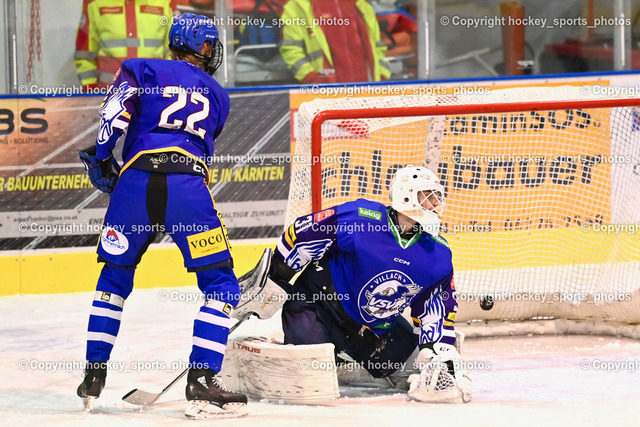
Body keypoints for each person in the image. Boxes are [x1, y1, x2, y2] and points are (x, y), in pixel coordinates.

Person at [76, 13, 247, 418]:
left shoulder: (140, 68)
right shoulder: (217, 93)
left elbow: (112, 117)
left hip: (133, 185)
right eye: (210, 44)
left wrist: (102, 162)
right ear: (203, 47)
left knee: (113, 280)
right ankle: (202, 380)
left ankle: (92, 375)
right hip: (186, 187)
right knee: (221, 285)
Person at [264, 165, 472, 402]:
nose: (435, 203)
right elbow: (304, 232)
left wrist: (435, 348)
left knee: (414, 372)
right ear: (406, 195)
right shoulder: (362, 218)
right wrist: (277, 274)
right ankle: (338, 359)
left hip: (374, 329)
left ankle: (351, 362)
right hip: (318, 306)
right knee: (310, 383)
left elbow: (435, 308)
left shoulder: (437, 253)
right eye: (428, 195)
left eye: (436, 196)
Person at [279, 0, 391, 84]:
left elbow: (379, 47)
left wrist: (381, 76)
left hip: (367, 91)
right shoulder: (297, 6)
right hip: (326, 94)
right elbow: (291, 51)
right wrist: (312, 79)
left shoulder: (361, 5)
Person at [74, 0, 178, 90]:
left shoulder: (166, 2)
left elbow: (173, 52)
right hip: (107, 93)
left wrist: (167, 85)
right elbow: (85, 53)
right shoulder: (94, 3)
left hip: (152, 94)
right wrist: (89, 88)